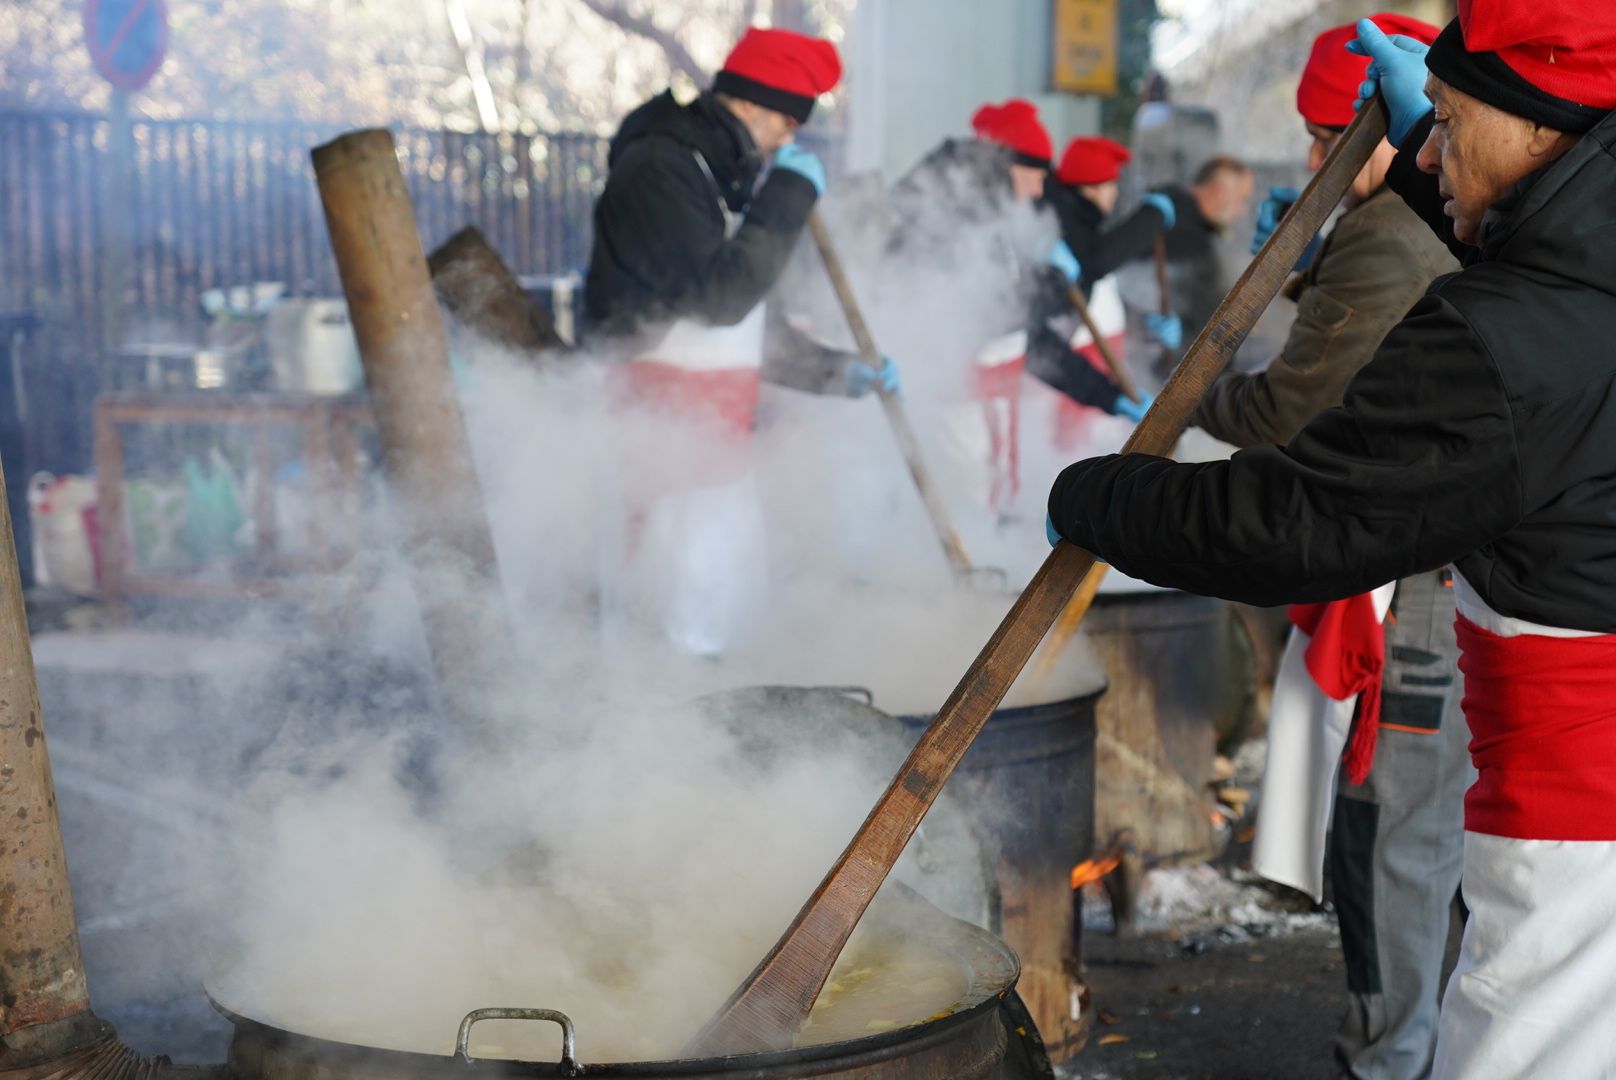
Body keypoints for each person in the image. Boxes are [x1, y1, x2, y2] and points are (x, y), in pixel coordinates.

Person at [1046, 4, 1616, 1076]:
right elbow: (1564, 271)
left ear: (1541, 126)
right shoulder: (1567, 280)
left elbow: (1288, 523)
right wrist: (1417, 177)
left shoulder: (1503, 339)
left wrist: (1094, 499)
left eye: (1445, 122)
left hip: (1580, 825)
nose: (1427, 147)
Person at [1195, 15, 1467, 1080]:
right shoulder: (1408, 222)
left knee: (1395, 836)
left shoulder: (1389, 233)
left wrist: (1198, 407)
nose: (1314, 163)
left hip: (1423, 581)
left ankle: (1392, 1057)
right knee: (1399, 831)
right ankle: (1398, 1040)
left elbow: (1287, 413)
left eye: (1326, 137)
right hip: (1416, 559)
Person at [582, 28, 894, 655]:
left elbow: (757, 329)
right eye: (785, 120)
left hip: (720, 462)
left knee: (724, 621)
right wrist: (788, 196)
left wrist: (837, 373)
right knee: (664, 630)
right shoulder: (660, 168)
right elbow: (718, 300)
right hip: (662, 453)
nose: (788, 139)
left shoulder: (717, 178)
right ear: (748, 103)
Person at [888, 101, 1145, 515]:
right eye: (1036, 175)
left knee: (988, 514)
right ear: (1005, 166)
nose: (1041, 190)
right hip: (952, 413)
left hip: (985, 424)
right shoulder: (951, 222)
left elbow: (1030, 343)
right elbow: (986, 319)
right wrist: (1049, 289)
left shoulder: (999, 225)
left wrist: (1108, 396)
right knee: (962, 513)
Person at [1154, 155, 1256, 373]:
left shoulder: (1192, 227)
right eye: (1242, 199)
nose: (1243, 210)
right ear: (1220, 192)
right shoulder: (1184, 238)